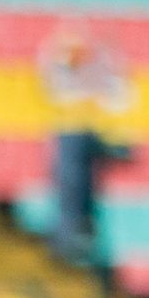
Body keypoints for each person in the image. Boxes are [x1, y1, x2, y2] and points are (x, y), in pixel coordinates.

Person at [37, 21, 135, 266]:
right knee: (73, 185)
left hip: (85, 140)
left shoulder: (99, 84)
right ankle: (71, 240)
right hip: (74, 139)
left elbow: (120, 99)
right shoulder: (71, 89)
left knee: (79, 187)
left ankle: (77, 241)